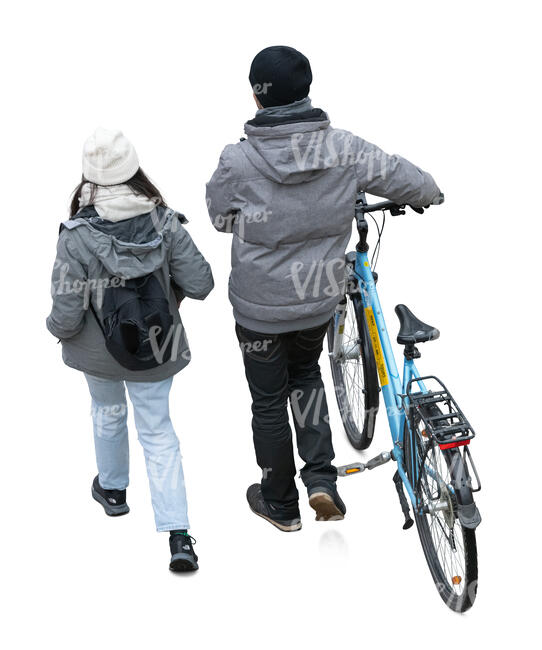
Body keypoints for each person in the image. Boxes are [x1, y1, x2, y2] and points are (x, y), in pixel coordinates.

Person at [206, 45, 442, 532]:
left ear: (257, 96)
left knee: (268, 399)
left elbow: (219, 217)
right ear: (307, 90)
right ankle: (321, 481)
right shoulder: (345, 148)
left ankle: (280, 503)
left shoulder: (238, 160)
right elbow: (402, 176)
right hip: (318, 301)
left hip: (259, 308)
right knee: (307, 378)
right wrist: (431, 193)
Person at [47, 128, 214, 570]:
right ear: (134, 168)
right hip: (157, 349)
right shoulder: (164, 221)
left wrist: (56, 330)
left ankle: (115, 490)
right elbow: (201, 283)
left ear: (89, 175)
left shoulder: (76, 235)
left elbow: (66, 311)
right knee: (159, 433)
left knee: (107, 413)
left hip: (98, 353)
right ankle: (179, 537)